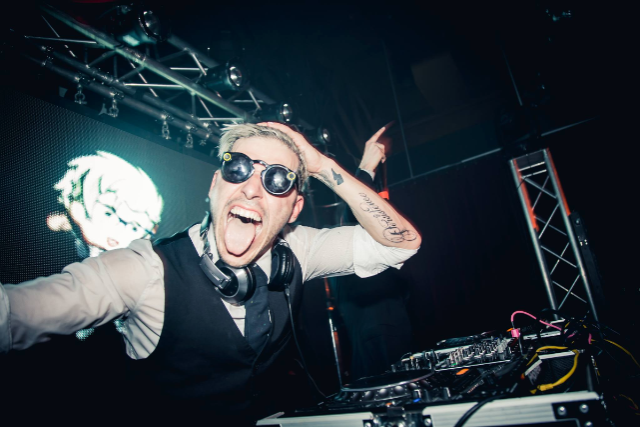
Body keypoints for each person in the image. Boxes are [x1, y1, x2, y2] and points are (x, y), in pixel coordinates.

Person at [0, 123, 420, 424]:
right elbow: (12, 314)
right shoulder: (143, 269)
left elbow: (401, 243)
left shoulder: (298, 250)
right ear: (215, 184)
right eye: (238, 169)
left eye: (277, 179)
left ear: (294, 209)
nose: (252, 189)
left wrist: (321, 164)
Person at [334, 124, 414, 381]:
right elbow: (354, 211)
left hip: (387, 323)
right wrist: (367, 167)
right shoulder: (352, 231)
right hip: (378, 327)